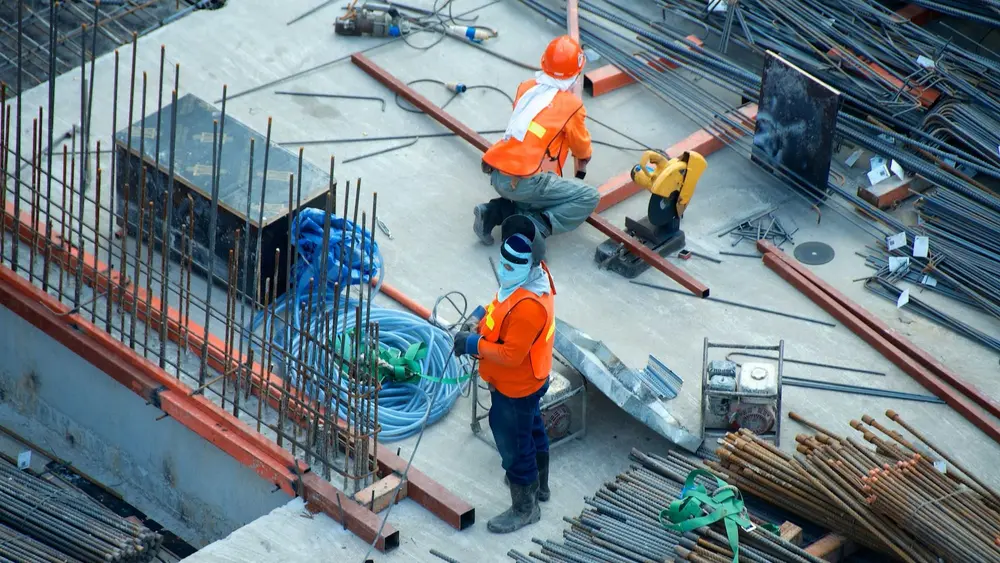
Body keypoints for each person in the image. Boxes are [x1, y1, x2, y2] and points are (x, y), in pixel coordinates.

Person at [453, 215, 557, 534]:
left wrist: (472, 343)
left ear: (530, 264)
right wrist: (479, 316)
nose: (505, 269)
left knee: (514, 445)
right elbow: (500, 306)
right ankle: (539, 486)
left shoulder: (529, 307)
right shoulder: (530, 280)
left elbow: (511, 356)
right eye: (503, 262)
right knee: (532, 428)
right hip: (531, 380)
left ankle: (526, 508)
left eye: (513, 265)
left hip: (516, 387)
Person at [475, 35, 599, 245]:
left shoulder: (526, 87)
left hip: (498, 172)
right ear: (575, 74)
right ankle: (535, 226)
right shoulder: (571, 106)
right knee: (588, 196)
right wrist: (584, 159)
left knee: (535, 193)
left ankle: (492, 212)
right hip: (525, 181)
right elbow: (581, 148)